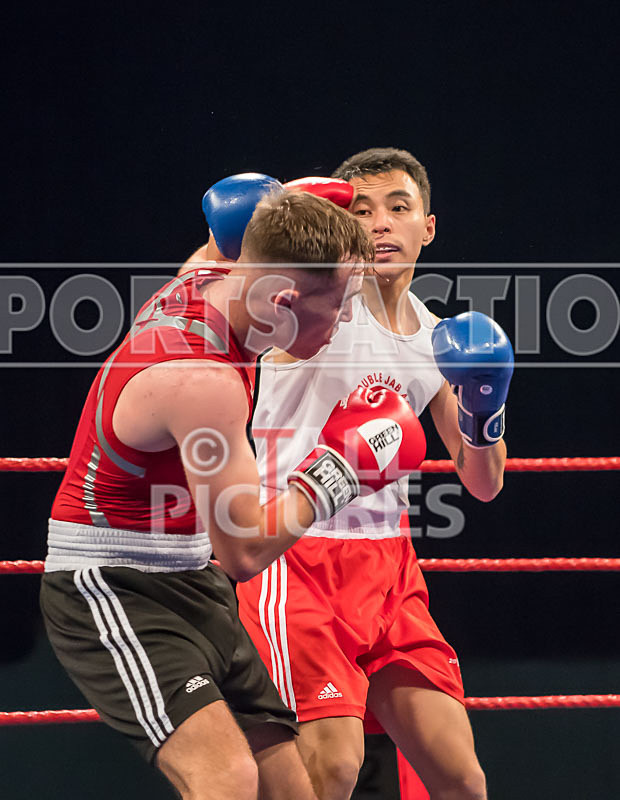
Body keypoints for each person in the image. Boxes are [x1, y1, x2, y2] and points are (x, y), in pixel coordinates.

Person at [40, 177, 429, 800]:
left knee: (291, 790)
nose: (344, 322)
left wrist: (286, 208)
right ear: (283, 301)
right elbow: (245, 550)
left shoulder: (211, 278)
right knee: (227, 778)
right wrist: (339, 472)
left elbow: (235, 244)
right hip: (114, 584)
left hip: (193, 574)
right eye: (337, 305)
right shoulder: (203, 380)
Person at [236, 149, 514, 800]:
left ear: (428, 226)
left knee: (461, 779)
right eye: (362, 210)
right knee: (332, 768)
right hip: (295, 559)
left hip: (391, 571)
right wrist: (280, 225)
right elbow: (247, 295)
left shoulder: (440, 340)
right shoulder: (312, 303)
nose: (382, 223)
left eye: (399, 207)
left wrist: (485, 407)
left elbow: (483, 483)